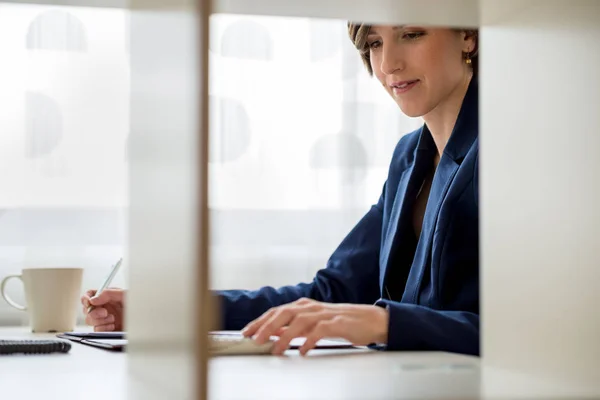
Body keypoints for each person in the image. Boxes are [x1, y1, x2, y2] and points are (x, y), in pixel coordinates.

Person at [82, 23, 480, 357]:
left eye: (410, 34)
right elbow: (331, 294)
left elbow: (536, 331)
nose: (388, 63)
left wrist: (386, 322)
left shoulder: (514, 151)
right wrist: (164, 310)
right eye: (374, 43)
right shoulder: (409, 157)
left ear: (469, 36)